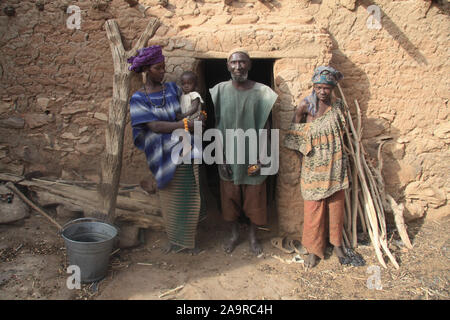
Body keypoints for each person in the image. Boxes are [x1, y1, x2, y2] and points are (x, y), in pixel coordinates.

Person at [128, 45, 206, 254]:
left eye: (164, 67)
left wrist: (198, 116)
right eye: (158, 68)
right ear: (146, 70)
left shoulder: (173, 89)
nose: (163, 72)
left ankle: (189, 241)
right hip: (161, 155)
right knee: (170, 198)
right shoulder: (138, 99)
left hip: (185, 149)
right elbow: (155, 126)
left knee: (189, 195)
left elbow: (188, 109)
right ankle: (174, 239)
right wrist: (187, 125)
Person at [209, 48, 278, 255]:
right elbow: (217, 126)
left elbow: (266, 128)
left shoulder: (262, 92)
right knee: (229, 197)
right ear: (227, 66)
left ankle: (253, 235)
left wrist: (261, 158)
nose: (238, 66)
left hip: (254, 154)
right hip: (228, 154)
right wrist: (220, 158)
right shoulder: (219, 90)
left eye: (242, 62)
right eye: (233, 62)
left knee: (255, 197)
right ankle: (234, 234)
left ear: (249, 65)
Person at [284, 66, 352, 268]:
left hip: (336, 164)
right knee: (313, 210)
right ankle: (314, 250)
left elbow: (343, 133)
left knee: (336, 207)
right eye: (319, 87)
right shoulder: (306, 106)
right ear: (314, 87)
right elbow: (293, 136)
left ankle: (337, 244)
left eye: (327, 88)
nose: (323, 92)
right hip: (313, 167)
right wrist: (305, 159)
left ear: (332, 89)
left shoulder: (338, 106)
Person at [176, 71, 205, 156]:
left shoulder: (194, 94)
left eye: (189, 83)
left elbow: (194, 108)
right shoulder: (182, 96)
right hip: (187, 119)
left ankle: (189, 148)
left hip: (193, 118)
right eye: (183, 84)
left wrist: (183, 116)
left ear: (195, 84)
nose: (186, 86)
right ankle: (187, 146)